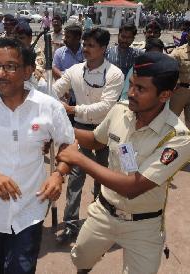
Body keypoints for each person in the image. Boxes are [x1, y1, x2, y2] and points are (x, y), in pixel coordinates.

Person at [57, 51, 190, 274]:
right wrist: (61, 131)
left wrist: (78, 158)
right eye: (132, 84)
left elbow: (133, 187)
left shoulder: (177, 137)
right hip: (104, 213)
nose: (131, 93)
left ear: (165, 95)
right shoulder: (120, 111)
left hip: (144, 226)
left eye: (141, 89)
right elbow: (96, 141)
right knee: (81, 260)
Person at [0, 38, 75, 274]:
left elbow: (68, 148)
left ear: (28, 71)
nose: (0, 73)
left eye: (10, 66)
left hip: (30, 212)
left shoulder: (49, 107)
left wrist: (58, 174)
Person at [53, 27, 124, 245]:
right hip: (81, 130)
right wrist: (49, 98)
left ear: (103, 48)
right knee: (75, 178)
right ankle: (71, 224)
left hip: (106, 130)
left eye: (91, 45)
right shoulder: (74, 70)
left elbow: (105, 107)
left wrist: (72, 109)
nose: (85, 48)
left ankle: (99, 222)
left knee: (103, 178)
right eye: (85, 44)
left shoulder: (114, 74)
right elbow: (54, 90)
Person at [13, 20, 46, 91]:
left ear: (30, 38)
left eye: (21, 38)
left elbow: (37, 73)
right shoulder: (12, 51)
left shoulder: (37, 52)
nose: (18, 41)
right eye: (15, 38)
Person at [169, 29, 190, 129]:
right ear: (188, 36)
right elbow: (169, 68)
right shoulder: (178, 52)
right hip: (180, 92)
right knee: (170, 120)